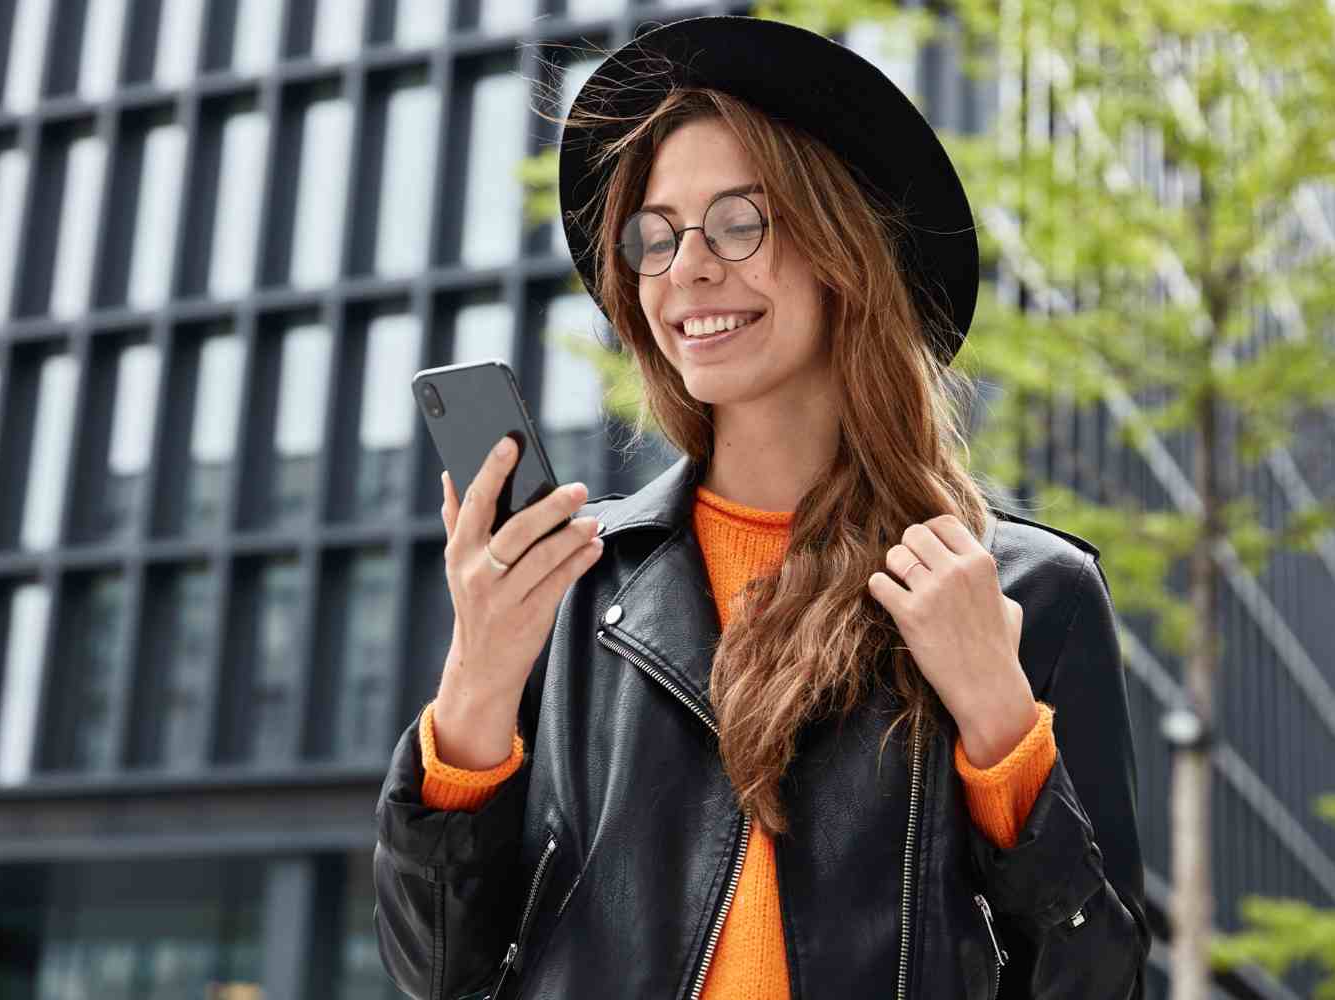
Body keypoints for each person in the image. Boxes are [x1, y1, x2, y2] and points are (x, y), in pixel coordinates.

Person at [374, 14, 1150, 1000]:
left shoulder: (1032, 593)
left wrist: (1001, 727)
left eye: (740, 221)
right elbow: (437, 969)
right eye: (653, 238)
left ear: (840, 249)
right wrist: (477, 683)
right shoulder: (574, 584)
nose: (688, 267)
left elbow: (1100, 981)